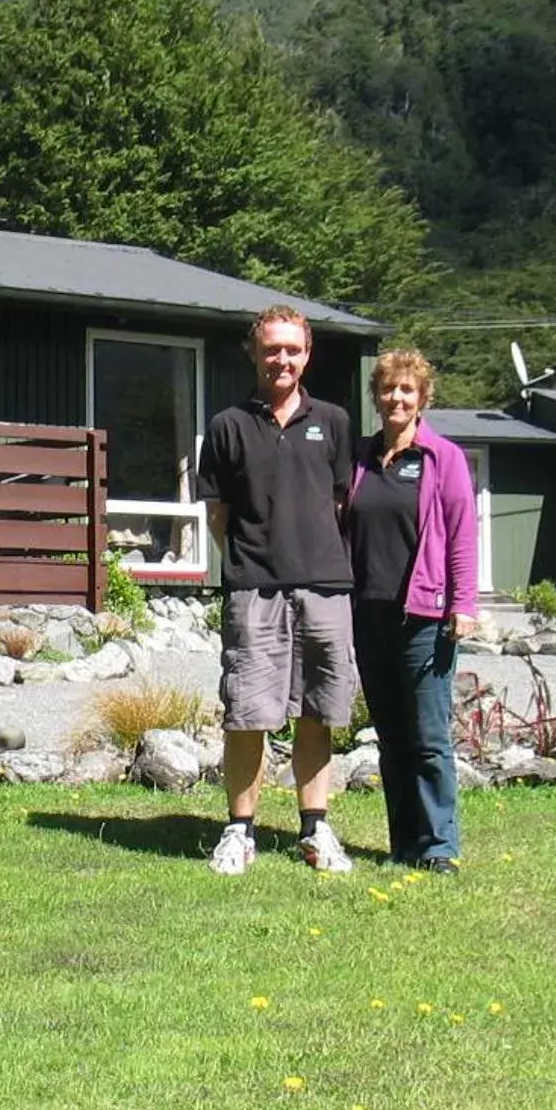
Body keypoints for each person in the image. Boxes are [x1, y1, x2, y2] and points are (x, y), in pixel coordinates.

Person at [196, 306, 357, 875]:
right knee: (247, 713)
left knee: (319, 711)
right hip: (254, 589)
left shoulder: (334, 422)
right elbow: (218, 515)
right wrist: (250, 560)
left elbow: (340, 504)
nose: (281, 359)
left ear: (307, 354)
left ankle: (316, 829)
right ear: (255, 353)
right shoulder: (226, 427)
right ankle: (239, 831)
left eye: (292, 349)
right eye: (271, 349)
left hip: (324, 588)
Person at [345, 349, 478, 873]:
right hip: (368, 615)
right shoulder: (359, 458)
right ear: (376, 396)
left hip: (425, 617)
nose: (396, 398)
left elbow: (463, 536)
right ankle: (402, 845)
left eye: (407, 390)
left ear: (422, 398)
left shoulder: (443, 458)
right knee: (392, 739)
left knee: (428, 738)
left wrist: (463, 603)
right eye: (388, 389)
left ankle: (439, 847)